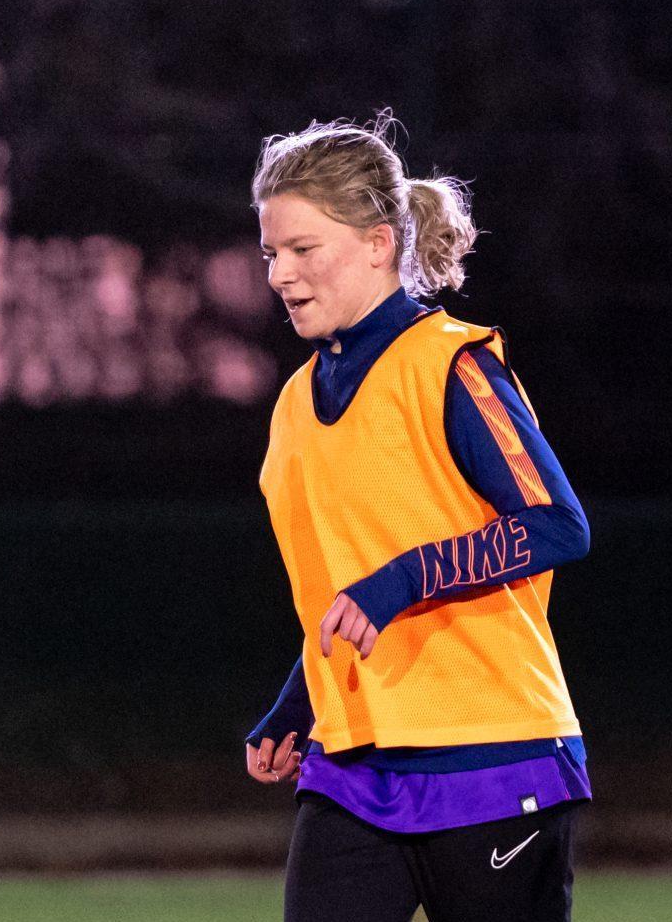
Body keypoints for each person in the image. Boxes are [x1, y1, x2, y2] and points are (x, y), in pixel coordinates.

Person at [241, 114, 592, 922]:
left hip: (493, 752)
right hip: (355, 763)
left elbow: (557, 523)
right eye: (271, 253)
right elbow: (343, 585)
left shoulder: (450, 363)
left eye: (304, 250)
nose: (280, 274)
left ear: (376, 244)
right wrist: (299, 704)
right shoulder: (295, 404)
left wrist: (402, 581)